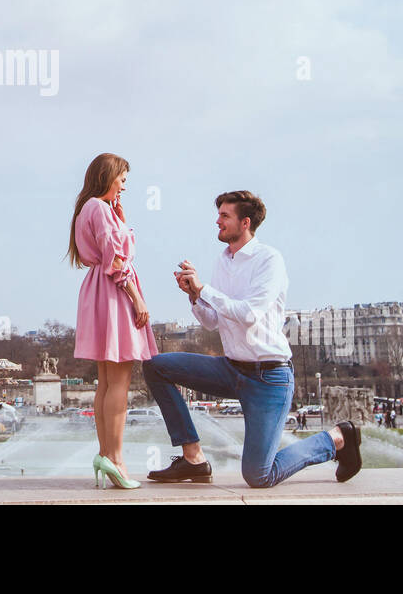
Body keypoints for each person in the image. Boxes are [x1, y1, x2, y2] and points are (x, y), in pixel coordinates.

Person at [142, 190, 362, 489]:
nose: (217, 221)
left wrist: (204, 289)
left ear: (245, 222)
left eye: (224, 216)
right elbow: (213, 321)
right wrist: (194, 296)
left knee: (258, 476)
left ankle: (336, 439)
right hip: (231, 369)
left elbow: (248, 314)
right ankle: (193, 459)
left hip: (268, 378)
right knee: (156, 366)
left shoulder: (269, 260)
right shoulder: (224, 261)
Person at [70, 153, 157, 490]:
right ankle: (117, 460)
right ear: (107, 176)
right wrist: (138, 298)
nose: (125, 184)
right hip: (115, 292)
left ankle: (105, 453)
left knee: (105, 382)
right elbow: (116, 261)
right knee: (119, 382)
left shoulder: (87, 208)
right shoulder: (101, 209)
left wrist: (118, 215)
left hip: (96, 292)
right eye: (122, 177)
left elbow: (104, 253)